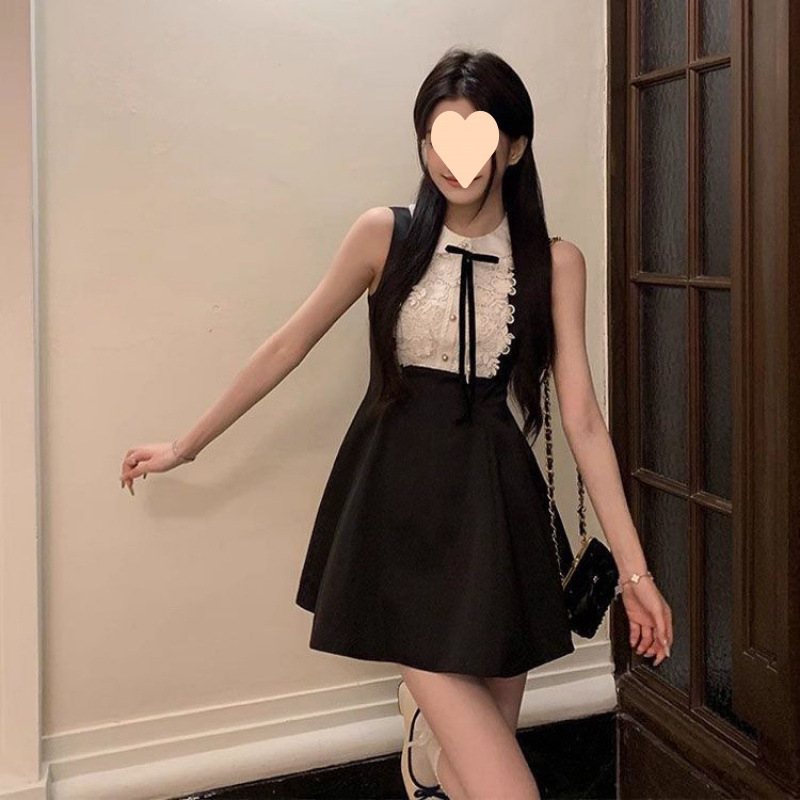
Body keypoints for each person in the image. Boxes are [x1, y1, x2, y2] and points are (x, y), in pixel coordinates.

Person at [120, 47, 673, 800]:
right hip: (397, 511)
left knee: (472, 766)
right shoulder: (386, 234)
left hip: (499, 515)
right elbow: (288, 343)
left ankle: (426, 758)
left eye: (476, 139)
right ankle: (431, 753)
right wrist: (186, 446)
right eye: (439, 138)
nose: (454, 161)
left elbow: (582, 419)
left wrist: (636, 577)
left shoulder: (556, 262)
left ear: (514, 148)